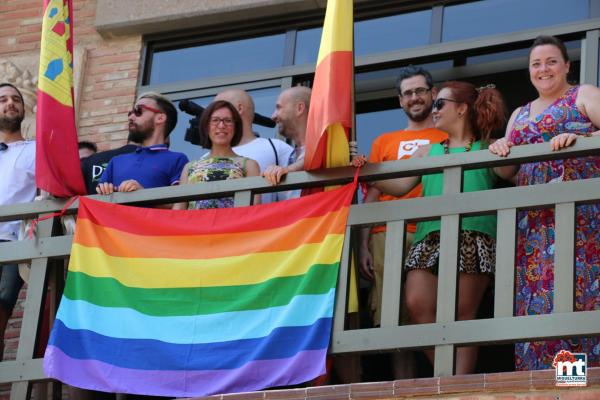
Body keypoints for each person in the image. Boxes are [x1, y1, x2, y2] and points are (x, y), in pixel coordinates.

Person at [373, 81, 506, 375]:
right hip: (429, 235)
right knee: (417, 304)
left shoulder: (486, 147)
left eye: (439, 104)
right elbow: (398, 186)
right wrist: (363, 169)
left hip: (474, 233)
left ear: (461, 108)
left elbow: (510, 170)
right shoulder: (427, 152)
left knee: (462, 313)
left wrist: (506, 144)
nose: (433, 110)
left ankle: (457, 385)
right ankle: (452, 378)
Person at [489, 35, 600, 371]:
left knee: (579, 299)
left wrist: (581, 139)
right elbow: (508, 171)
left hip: (583, 221)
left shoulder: (583, 95)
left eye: (552, 61)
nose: (544, 69)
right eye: (536, 64)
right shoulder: (520, 114)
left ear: (567, 66)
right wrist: (499, 151)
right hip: (535, 228)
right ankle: (541, 385)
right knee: (538, 302)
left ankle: (577, 384)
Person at [359, 66, 447, 379]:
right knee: (392, 317)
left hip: (434, 231)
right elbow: (372, 192)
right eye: (407, 93)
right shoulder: (384, 141)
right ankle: (403, 388)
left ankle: (446, 381)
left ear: (433, 94)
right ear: (400, 101)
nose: (414, 97)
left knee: (430, 312)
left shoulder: (448, 134)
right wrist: (363, 243)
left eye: (420, 90)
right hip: (386, 233)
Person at [0, 83, 36, 360]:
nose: (10, 103)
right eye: (2, 99)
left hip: (12, 241)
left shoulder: (37, 149)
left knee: (1, 309)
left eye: (16, 99)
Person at [96, 92, 188, 196]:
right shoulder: (115, 161)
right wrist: (105, 191)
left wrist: (143, 194)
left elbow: (179, 206)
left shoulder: (178, 160)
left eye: (138, 111)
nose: (131, 117)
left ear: (160, 118)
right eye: (130, 113)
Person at [174, 100, 260, 210]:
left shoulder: (249, 165)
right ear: (206, 126)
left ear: (236, 127)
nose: (221, 125)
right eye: (215, 120)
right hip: (196, 226)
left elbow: (254, 211)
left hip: (233, 226)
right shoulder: (189, 168)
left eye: (228, 121)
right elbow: (178, 212)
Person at [214, 89, 293, 203]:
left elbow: (295, 195)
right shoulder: (205, 159)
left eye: (219, 108)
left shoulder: (276, 147)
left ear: (239, 109)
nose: (212, 114)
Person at [262, 86, 311, 193]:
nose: (273, 116)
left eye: (279, 107)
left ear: (300, 108)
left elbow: (315, 159)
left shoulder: (328, 150)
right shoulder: (290, 157)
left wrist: (289, 170)